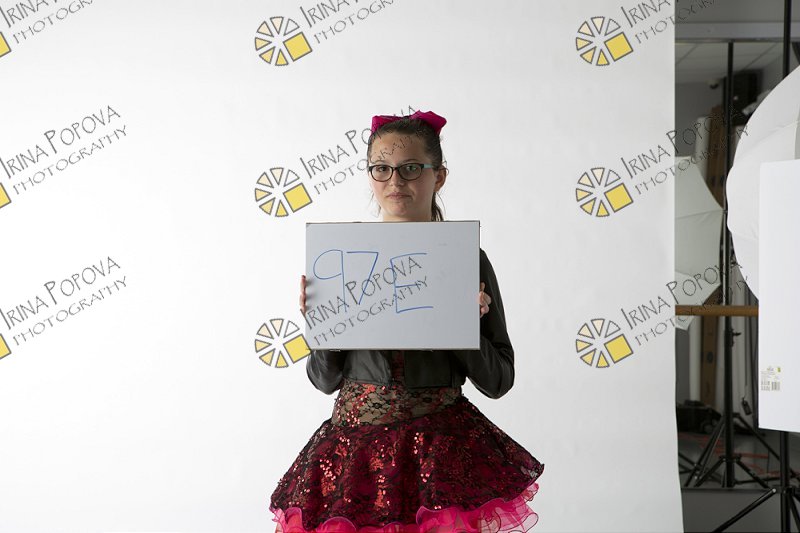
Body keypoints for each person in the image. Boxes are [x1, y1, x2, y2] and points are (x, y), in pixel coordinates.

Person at [269, 110, 544, 532]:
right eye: (382, 169)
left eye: (411, 168)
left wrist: (461, 326)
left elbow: (498, 381)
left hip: (440, 456)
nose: (395, 181)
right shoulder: (342, 260)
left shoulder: (468, 260)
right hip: (356, 457)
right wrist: (326, 327)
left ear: (439, 176)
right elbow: (324, 381)